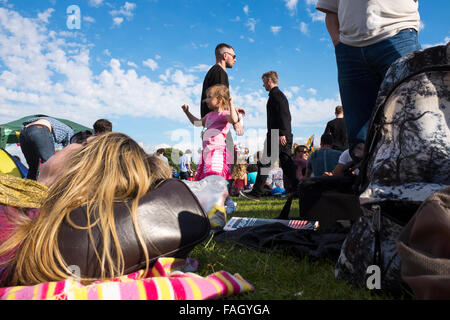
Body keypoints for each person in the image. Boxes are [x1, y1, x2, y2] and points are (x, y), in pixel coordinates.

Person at [0, 132, 173, 286]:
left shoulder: (10, 219)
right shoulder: (49, 233)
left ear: (82, 167)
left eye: (81, 142)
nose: (70, 144)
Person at [316, 0, 421, 151]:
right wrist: (339, 44)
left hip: (397, 33)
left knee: (413, 122)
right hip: (349, 49)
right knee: (360, 142)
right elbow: (330, 9)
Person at [240, 71, 298, 201]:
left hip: (277, 135)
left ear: (269, 81)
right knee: (287, 165)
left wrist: (282, 133)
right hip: (279, 134)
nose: (263, 85)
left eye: (264, 81)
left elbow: (284, 115)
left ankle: (256, 193)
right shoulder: (276, 95)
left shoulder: (276, 95)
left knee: (266, 164)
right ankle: (299, 190)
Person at [182, 84, 240, 181]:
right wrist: (187, 112)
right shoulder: (209, 116)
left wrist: (231, 104)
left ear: (220, 100)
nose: (206, 100)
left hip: (217, 151)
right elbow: (197, 123)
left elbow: (234, 119)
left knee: (215, 175)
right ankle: (212, 194)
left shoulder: (224, 114)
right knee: (207, 177)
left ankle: (220, 194)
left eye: (209, 97)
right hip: (207, 152)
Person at [200, 43, 243, 166]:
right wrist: (235, 121)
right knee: (229, 161)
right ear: (225, 56)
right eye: (234, 56)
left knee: (221, 161)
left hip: (212, 124)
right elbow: (220, 99)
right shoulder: (220, 73)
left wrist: (233, 109)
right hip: (218, 126)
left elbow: (220, 100)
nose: (235, 59)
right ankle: (222, 185)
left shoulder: (213, 72)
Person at [19, 116, 74, 180]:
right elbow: (68, 150)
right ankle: (51, 187)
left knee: (33, 167)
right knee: (51, 163)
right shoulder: (69, 130)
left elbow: (46, 144)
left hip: (24, 132)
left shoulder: (53, 126)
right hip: (39, 129)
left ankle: (30, 185)